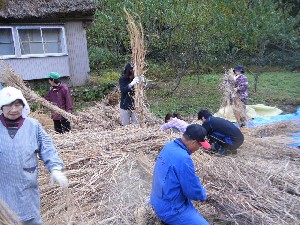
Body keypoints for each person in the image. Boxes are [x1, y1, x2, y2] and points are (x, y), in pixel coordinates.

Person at [0, 86, 68, 225]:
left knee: (31, 219)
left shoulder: (33, 126)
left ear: (23, 106)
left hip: (27, 188)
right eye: (8, 105)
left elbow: (47, 148)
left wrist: (55, 168)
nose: (13, 109)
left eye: (17, 105)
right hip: (3, 189)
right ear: (1, 106)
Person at [151, 124, 210, 225]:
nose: (198, 148)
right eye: (200, 145)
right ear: (193, 142)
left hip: (156, 199)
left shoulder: (169, 146)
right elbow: (192, 192)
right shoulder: (183, 159)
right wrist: (204, 195)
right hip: (171, 209)